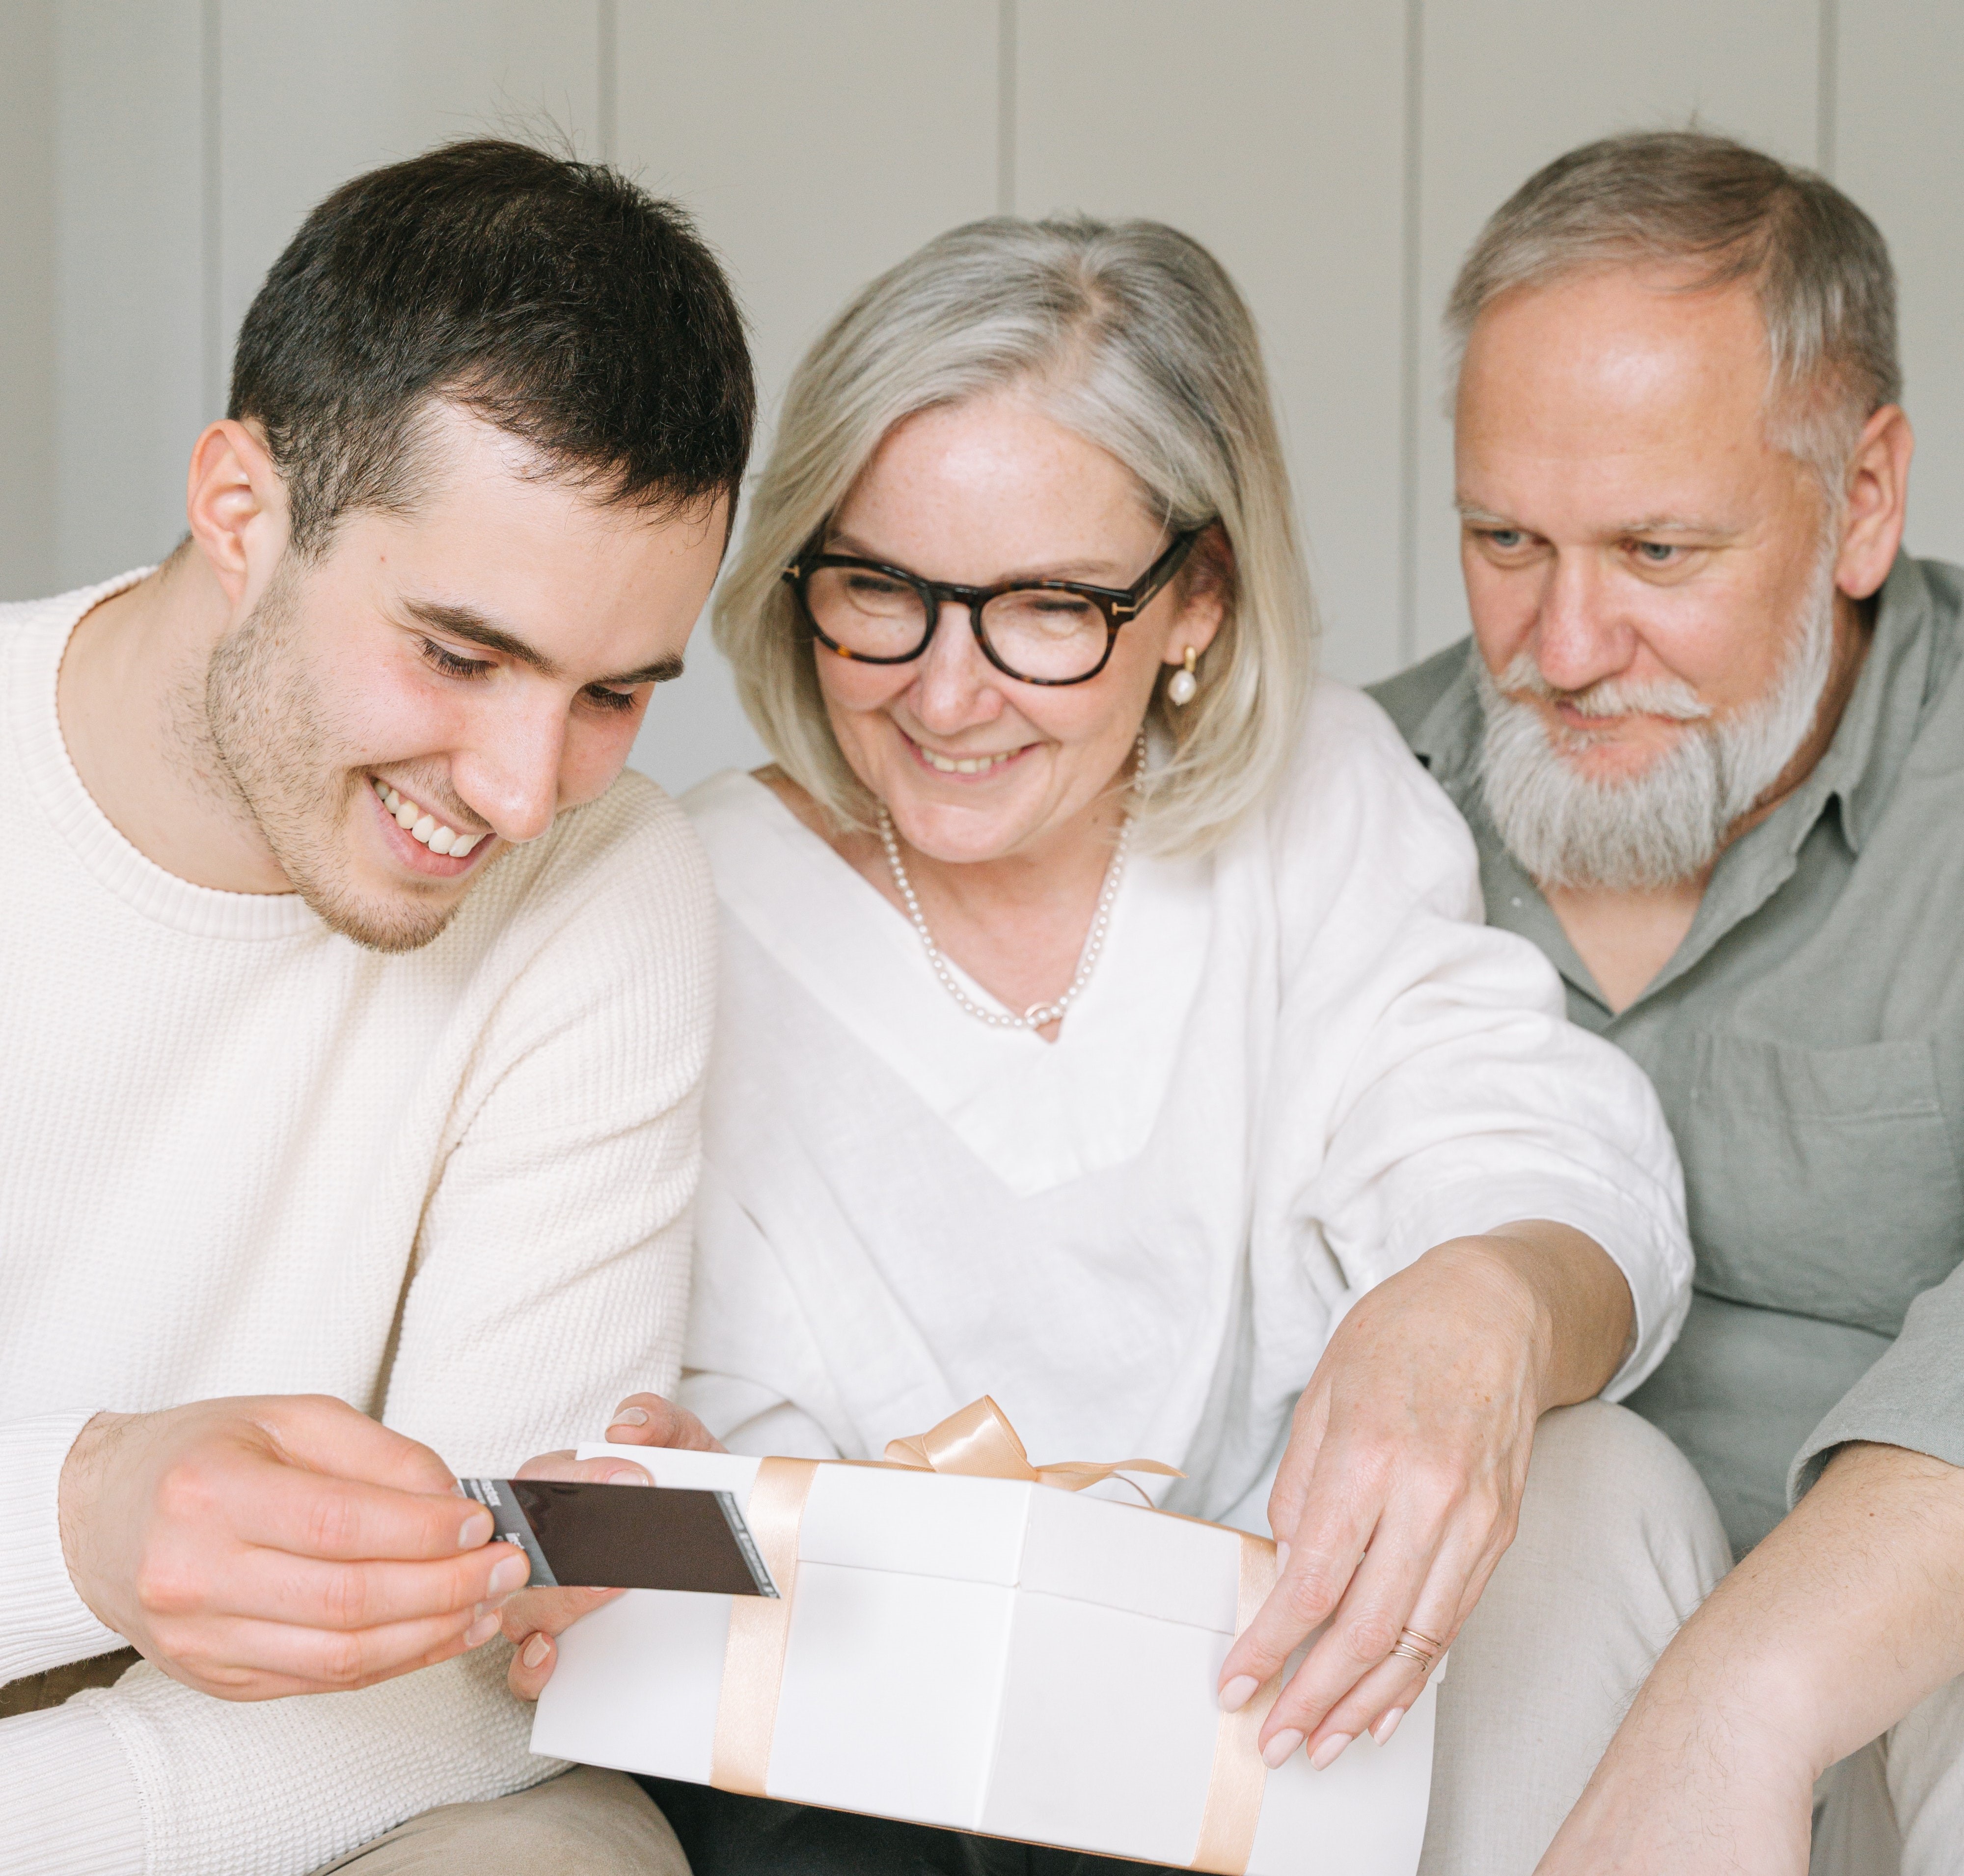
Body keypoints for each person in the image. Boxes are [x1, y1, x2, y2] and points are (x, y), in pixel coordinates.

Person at [508, 213, 1729, 1876]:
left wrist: (1488, 1295)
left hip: (1283, 1728)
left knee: (1617, 1475)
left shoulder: (1316, 809)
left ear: (1195, 598)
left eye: (1047, 609)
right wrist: (658, 1504)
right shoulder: (672, 898)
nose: (946, 696)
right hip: (852, 1781)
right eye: (879, 591)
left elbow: (1535, 1148)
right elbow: (552, 1490)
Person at [0, 140, 754, 1876]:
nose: (518, 789)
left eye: (614, 693)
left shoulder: (605, 886)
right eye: (460, 654)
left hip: (282, 1789)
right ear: (241, 511)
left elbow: (488, 1646)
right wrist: (79, 1514)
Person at [1367, 131, 1964, 1872]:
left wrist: (1743, 1703)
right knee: (1572, 1492)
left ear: (1863, 500)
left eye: (1657, 552)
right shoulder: (1354, 805)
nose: (1560, 646)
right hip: (1487, 1721)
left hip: (1899, 1699)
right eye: (1503, 539)